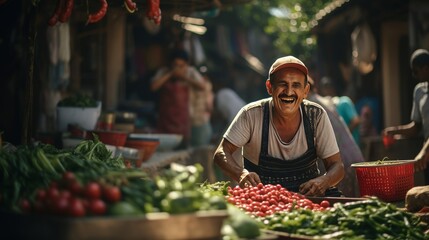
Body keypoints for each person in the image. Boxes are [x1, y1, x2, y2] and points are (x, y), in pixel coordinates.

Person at [213, 56, 345, 197]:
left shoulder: (316, 115)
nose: (288, 92)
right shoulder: (251, 114)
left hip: (308, 200)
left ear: (306, 91)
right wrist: (241, 174)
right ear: (270, 87)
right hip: (263, 201)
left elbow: (337, 166)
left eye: (296, 85)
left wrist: (324, 181)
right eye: (282, 84)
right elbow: (221, 153)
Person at [307, 76, 365, 197]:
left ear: (306, 89)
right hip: (353, 157)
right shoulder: (325, 101)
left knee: (344, 203)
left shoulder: (310, 106)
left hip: (340, 162)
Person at [383, 49, 429, 184]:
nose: (414, 76)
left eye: (416, 71)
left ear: (425, 69)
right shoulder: (419, 91)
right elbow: (416, 127)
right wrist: (394, 131)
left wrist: (424, 151)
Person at [150, 49, 205, 148]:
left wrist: (184, 77)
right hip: (165, 121)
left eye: (181, 66)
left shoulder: (191, 72)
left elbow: (202, 87)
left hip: (183, 123)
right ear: (170, 64)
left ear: (186, 65)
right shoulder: (163, 72)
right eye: (175, 65)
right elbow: (153, 87)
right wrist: (170, 74)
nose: (178, 68)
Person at [319, 77, 361, 146]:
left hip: (352, 146)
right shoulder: (327, 108)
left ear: (333, 88)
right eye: (324, 88)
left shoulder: (344, 102)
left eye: (328, 87)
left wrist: (343, 135)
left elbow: (356, 121)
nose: (327, 91)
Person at [189, 67, 214, 147]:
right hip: (198, 122)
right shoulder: (204, 86)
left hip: (200, 122)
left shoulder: (206, 86)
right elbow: (209, 107)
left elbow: (208, 107)